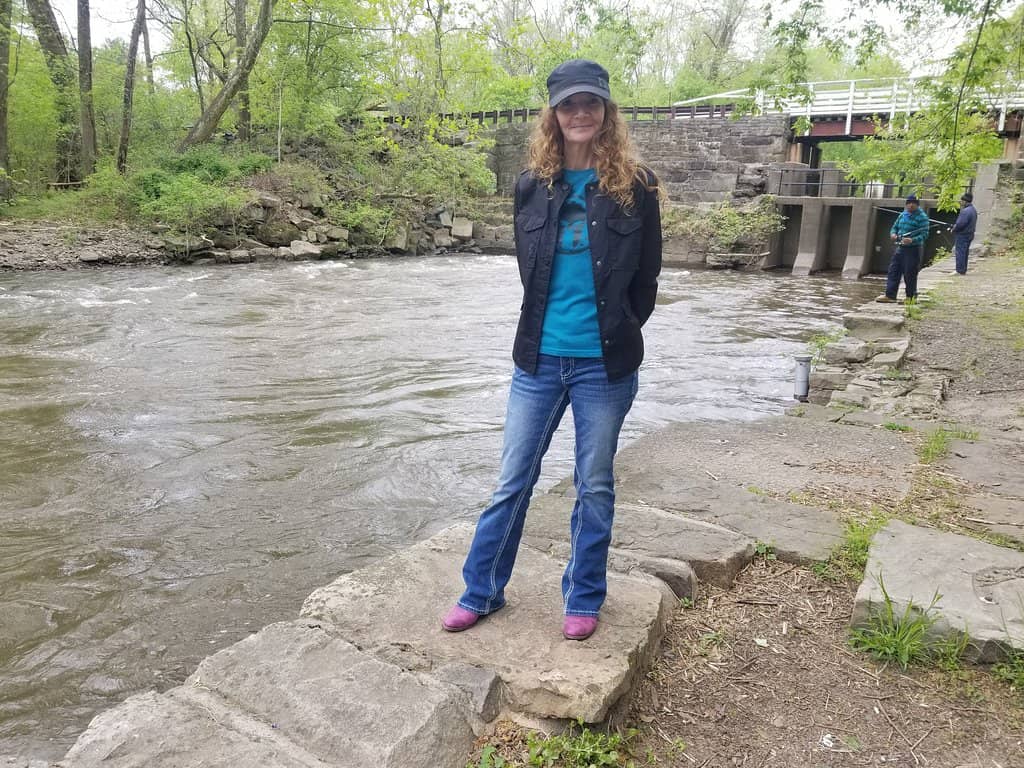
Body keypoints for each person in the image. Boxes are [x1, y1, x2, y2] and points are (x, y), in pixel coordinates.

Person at [441, 59, 662, 642]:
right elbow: (529, 272)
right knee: (512, 481)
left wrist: (618, 326)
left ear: (606, 111)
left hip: (605, 365)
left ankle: (583, 597)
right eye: (568, 105)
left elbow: (647, 280)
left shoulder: (637, 187)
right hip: (537, 360)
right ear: (554, 115)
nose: (580, 113)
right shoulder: (530, 186)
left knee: (595, 484)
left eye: (590, 103)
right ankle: (481, 591)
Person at [877, 194, 929, 303]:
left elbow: (924, 235)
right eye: (909, 203)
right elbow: (894, 227)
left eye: (913, 203)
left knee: (910, 273)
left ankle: (911, 297)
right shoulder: (902, 215)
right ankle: (890, 295)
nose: (911, 205)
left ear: (917, 205)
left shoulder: (922, 217)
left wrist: (912, 240)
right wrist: (893, 234)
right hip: (900, 248)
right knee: (893, 271)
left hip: (913, 249)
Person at [951, 192, 977, 275]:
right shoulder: (973, 210)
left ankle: (959, 270)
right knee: (965, 252)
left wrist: (954, 229)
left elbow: (960, 224)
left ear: (965, 201)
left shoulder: (965, 211)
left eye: (961, 201)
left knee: (960, 252)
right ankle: (963, 269)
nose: (961, 202)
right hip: (970, 234)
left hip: (962, 235)